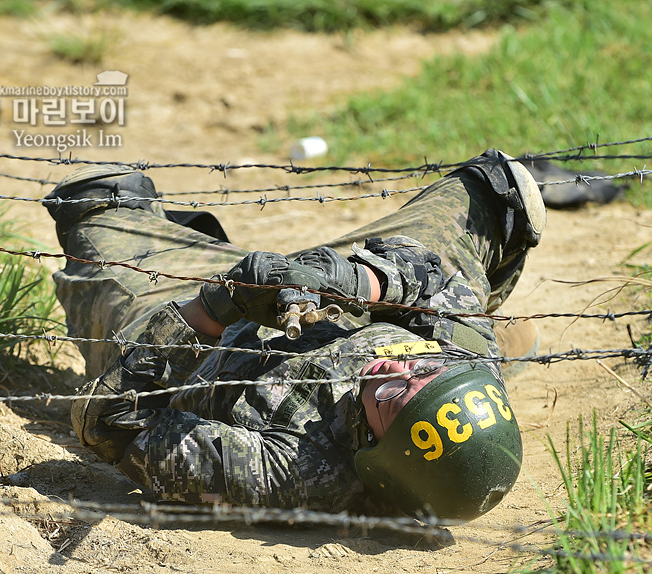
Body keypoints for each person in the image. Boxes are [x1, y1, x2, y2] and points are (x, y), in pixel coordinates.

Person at [43, 149, 547, 521]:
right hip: (328, 283)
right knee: (495, 190)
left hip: (200, 328)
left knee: (98, 199)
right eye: (420, 370)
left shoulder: (295, 471)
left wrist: (219, 305)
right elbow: (439, 282)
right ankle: (495, 335)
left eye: (393, 397)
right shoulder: (464, 367)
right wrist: (352, 281)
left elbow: (109, 419)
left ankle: (162, 242)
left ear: (376, 454)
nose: (394, 368)